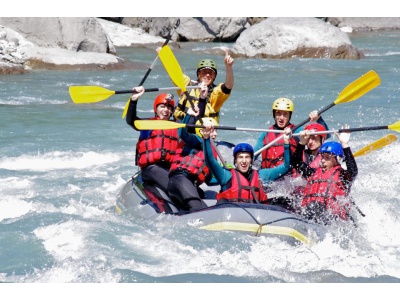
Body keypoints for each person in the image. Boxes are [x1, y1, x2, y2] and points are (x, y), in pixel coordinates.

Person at [201, 122, 292, 204]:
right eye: (240, 157)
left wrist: (286, 143)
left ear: (251, 160)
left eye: (247, 157)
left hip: (254, 217)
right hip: (231, 216)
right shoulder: (226, 176)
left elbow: (285, 166)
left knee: (284, 201)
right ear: (235, 161)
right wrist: (206, 137)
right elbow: (210, 161)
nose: (244, 161)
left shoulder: (261, 176)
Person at [125, 86, 180, 209]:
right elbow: (131, 120)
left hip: (169, 169)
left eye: (169, 107)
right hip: (151, 168)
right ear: (156, 109)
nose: (166, 110)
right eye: (162, 107)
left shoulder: (177, 126)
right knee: (176, 188)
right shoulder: (148, 125)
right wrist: (133, 100)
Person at [293, 125, 358, 224]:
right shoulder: (314, 173)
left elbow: (353, 171)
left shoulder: (342, 176)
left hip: (332, 220)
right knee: (310, 206)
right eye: (322, 157)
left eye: (327, 158)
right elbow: (296, 162)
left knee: (315, 206)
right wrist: (302, 142)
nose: (322, 161)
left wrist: (345, 144)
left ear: (337, 160)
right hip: (311, 214)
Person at [253, 97, 330, 175]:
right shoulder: (265, 134)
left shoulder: (296, 131)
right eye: (278, 113)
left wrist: (319, 119)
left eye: (285, 114)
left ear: (290, 115)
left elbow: (325, 135)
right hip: (269, 175)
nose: (281, 118)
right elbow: (253, 155)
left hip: (288, 177)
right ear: (274, 114)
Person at [167, 113, 219, 212]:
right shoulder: (196, 140)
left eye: (215, 130)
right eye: (212, 130)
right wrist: (188, 116)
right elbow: (182, 133)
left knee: (206, 210)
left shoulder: (211, 152)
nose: (215, 134)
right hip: (180, 179)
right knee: (198, 209)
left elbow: (209, 181)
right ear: (201, 131)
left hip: (191, 184)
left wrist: (230, 175)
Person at [173, 49, 234, 130]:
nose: (207, 75)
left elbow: (228, 86)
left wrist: (228, 67)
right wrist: (164, 54)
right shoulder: (187, 84)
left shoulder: (215, 93)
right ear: (198, 74)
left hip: (204, 132)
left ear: (214, 77)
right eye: (204, 72)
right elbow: (174, 72)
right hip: (184, 129)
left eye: (211, 73)